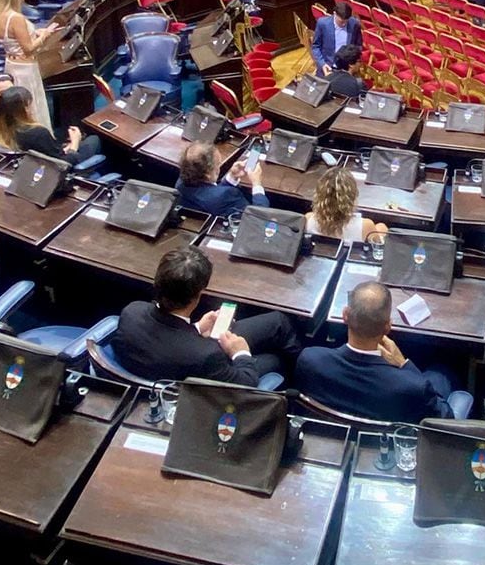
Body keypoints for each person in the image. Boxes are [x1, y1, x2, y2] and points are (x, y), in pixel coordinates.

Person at [111, 245, 299, 386]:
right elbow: (245, 382)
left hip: (172, 357)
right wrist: (240, 352)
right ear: (199, 294)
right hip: (194, 386)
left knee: (277, 322)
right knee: (275, 359)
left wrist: (196, 329)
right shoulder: (206, 356)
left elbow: (167, 339)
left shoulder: (131, 312)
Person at [294, 281, 449, 422]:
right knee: (440, 374)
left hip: (325, 439)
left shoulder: (309, 360)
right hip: (387, 448)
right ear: (388, 326)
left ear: (345, 315)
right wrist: (404, 365)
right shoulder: (414, 387)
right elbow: (445, 418)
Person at [0, 0, 57, 131]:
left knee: (17, 107)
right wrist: (45, 34)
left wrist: (34, 33)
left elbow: (12, 40)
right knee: (31, 106)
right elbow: (29, 49)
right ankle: (40, 138)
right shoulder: (16, 18)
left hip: (11, 64)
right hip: (25, 69)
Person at [0, 85, 100, 164]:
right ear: (25, 108)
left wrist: (66, 149)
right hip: (51, 173)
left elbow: (48, 153)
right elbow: (61, 164)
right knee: (94, 140)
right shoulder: (37, 133)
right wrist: (74, 143)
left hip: (27, 168)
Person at [175, 141, 267, 216]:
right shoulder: (226, 195)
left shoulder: (180, 184)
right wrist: (257, 184)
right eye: (218, 164)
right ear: (207, 174)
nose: (219, 167)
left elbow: (210, 193)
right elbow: (258, 217)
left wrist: (232, 177)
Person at [303, 164, 385, 242]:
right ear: (352, 196)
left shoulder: (308, 219)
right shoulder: (365, 226)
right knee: (382, 227)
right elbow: (378, 248)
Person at [310, 1, 363, 76]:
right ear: (335, 14)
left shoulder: (354, 24)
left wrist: (353, 64)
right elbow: (315, 47)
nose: (344, 24)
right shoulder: (322, 24)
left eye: (346, 21)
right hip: (327, 67)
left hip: (346, 71)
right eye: (341, 22)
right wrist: (322, 64)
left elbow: (358, 46)